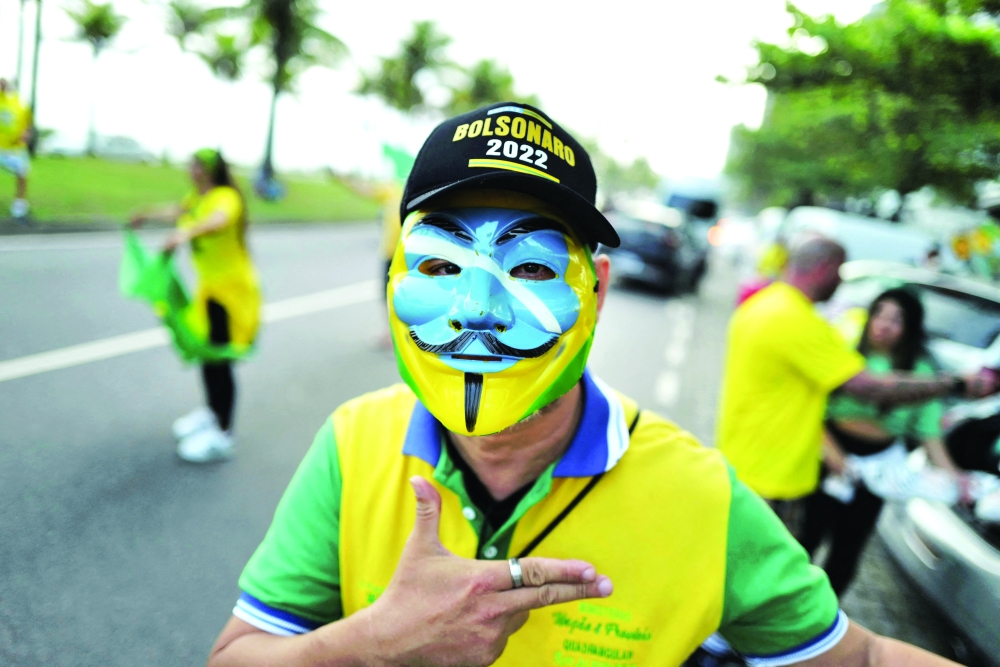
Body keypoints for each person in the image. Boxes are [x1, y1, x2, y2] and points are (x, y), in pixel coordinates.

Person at [207, 102, 962, 667]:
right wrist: (371, 640)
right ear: (397, 276)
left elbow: (858, 656)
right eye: (441, 267)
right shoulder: (352, 443)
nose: (477, 310)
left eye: (532, 267)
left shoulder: (698, 495)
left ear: (597, 288)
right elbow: (237, 654)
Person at [716, 237, 995, 533]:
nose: (839, 282)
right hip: (768, 476)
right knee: (759, 568)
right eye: (839, 273)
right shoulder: (795, 320)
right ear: (824, 269)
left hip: (747, 458)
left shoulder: (765, 304)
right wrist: (954, 384)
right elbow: (871, 388)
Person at [130, 149, 261, 462]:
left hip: (231, 295)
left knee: (220, 360)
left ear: (209, 170)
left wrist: (185, 233)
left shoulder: (225, 196)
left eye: (196, 164)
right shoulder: (198, 197)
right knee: (206, 355)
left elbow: (219, 219)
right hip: (209, 292)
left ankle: (224, 433)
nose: (191, 169)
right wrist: (145, 214)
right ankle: (211, 413)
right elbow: (179, 210)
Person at [0, 78, 33, 220]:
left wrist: (26, 133)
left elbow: (28, 124)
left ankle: (19, 208)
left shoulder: (19, 103)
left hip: (14, 149)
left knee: (23, 171)